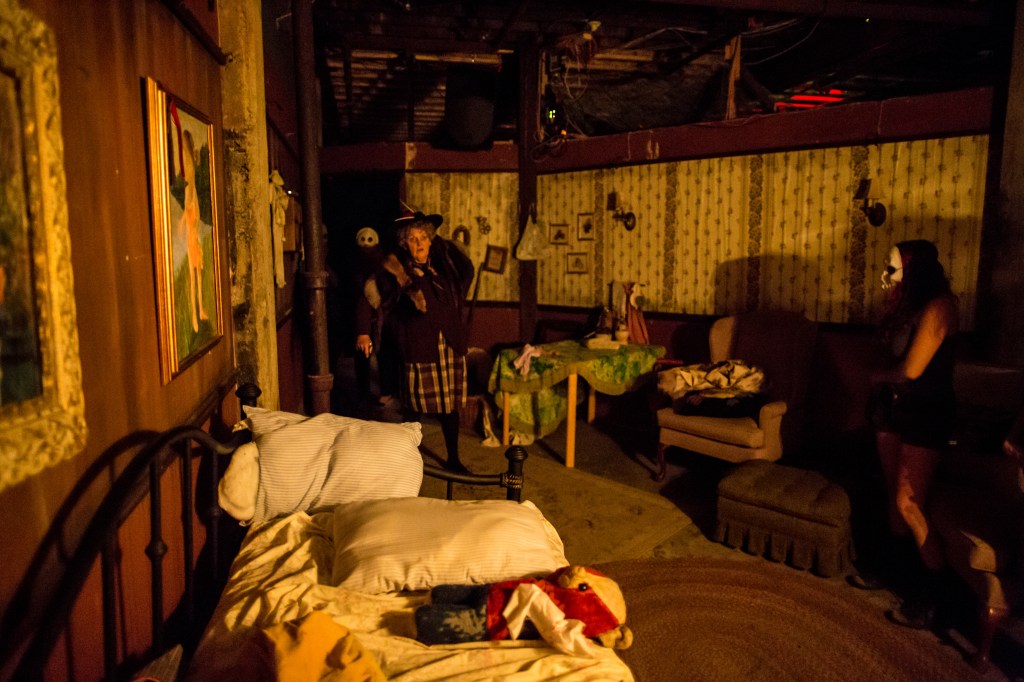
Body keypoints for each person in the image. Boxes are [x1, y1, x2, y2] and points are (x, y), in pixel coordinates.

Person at [854, 239, 958, 630]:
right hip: (895, 408)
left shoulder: (940, 307)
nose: (885, 277)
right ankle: (895, 572)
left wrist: (877, 377)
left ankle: (936, 597)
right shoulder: (910, 306)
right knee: (891, 495)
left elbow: (911, 370)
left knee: (908, 502)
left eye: (892, 269)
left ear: (915, 270)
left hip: (925, 413)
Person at [357, 211, 475, 473]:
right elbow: (367, 297)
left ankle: (453, 459)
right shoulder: (394, 271)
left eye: (424, 237)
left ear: (431, 240)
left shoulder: (444, 265)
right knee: (413, 408)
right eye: (412, 238)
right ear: (403, 243)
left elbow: (468, 269)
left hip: (449, 344)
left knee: (449, 407)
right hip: (417, 345)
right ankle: (407, 458)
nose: (419, 243)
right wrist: (363, 332)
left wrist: (440, 240)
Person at [178, 129, 208, 333]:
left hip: (193, 233)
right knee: (192, 274)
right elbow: (189, 204)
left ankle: (200, 309)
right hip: (191, 233)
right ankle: (194, 316)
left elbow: (191, 201)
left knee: (197, 274)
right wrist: (184, 221)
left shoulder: (192, 178)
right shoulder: (189, 177)